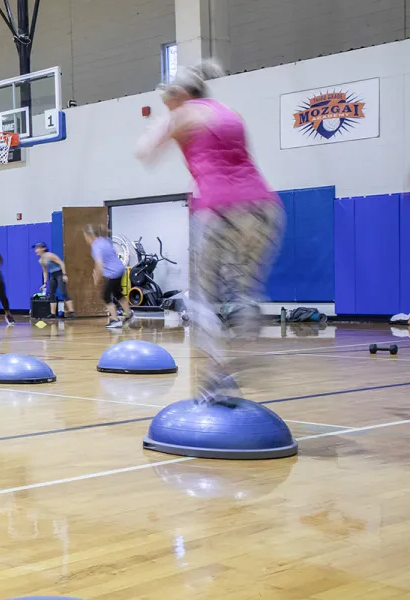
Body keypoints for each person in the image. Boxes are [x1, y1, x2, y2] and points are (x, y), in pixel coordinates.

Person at [136, 60, 283, 404]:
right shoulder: (229, 111)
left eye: (168, 97)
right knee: (244, 290)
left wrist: (164, 126)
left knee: (201, 297)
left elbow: (144, 151)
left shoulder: (183, 115)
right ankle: (247, 325)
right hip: (265, 209)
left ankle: (219, 373)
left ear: (181, 94)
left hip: (218, 208)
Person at [86, 225, 134, 328]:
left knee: (106, 296)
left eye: (86, 237)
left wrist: (97, 277)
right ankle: (129, 314)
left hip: (114, 273)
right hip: (120, 269)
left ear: (90, 236)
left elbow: (99, 263)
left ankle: (115, 320)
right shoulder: (104, 240)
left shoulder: (96, 246)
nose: (86, 240)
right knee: (117, 293)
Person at [33, 242, 75, 318]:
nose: (36, 250)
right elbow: (45, 271)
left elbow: (61, 263)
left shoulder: (50, 255)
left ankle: (72, 312)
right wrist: (45, 283)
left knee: (63, 292)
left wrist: (64, 274)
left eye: (38, 248)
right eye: (35, 248)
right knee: (52, 293)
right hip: (53, 275)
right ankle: (53, 314)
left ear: (43, 248)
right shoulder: (41, 261)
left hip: (59, 273)